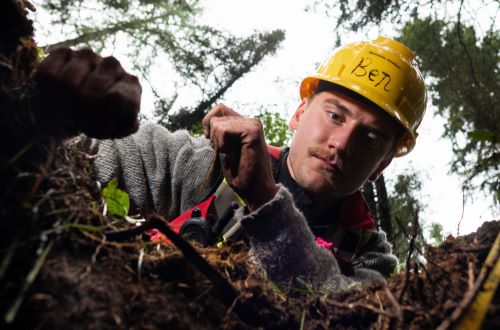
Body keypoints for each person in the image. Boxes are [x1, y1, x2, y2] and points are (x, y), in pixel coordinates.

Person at [35, 36, 427, 293]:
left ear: (382, 165)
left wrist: (264, 202)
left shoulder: (370, 261)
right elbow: (84, 162)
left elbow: (339, 313)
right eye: (335, 116)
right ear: (299, 112)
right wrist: (57, 116)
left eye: (371, 138)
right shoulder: (208, 166)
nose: (341, 144)